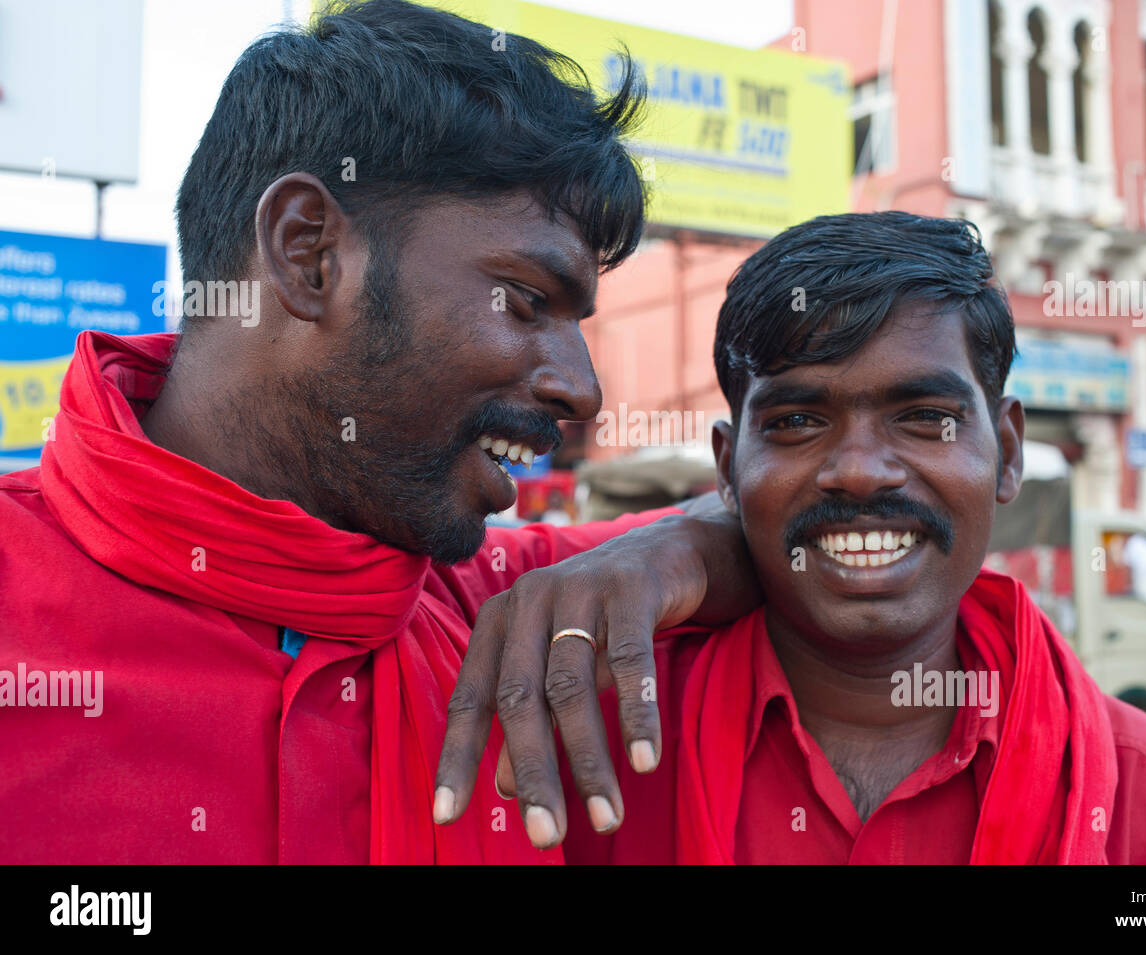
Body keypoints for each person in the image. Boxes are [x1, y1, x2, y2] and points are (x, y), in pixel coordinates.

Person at [0, 0, 759, 863]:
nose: (582, 391)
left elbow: (772, 537)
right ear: (308, 252)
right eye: (524, 300)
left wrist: (670, 554)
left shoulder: (496, 604)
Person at [522, 212, 1146, 863]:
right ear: (728, 470)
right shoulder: (586, 751)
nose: (861, 471)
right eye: (798, 421)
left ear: (1007, 453)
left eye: (925, 416)